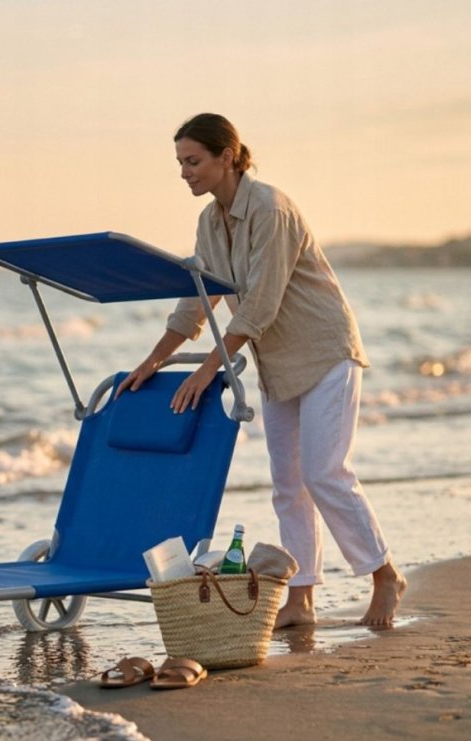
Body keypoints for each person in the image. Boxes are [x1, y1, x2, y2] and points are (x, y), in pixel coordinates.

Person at [117, 113, 406, 628]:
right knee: (287, 485)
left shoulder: (271, 208)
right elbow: (197, 300)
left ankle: (384, 575)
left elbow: (261, 304)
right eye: (180, 163)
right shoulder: (210, 222)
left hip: (324, 352)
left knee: (324, 473)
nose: (185, 172)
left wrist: (209, 370)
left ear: (227, 157)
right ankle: (301, 597)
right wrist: (152, 360)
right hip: (277, 364)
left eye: (193, 160)